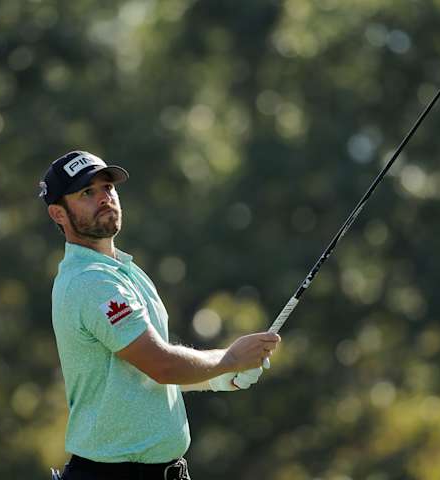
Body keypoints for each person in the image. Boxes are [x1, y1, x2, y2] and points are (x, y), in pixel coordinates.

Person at [39, 150, 280, 480]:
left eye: (108, 187)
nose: (104, 198)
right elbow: (161, 365)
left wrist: (216, 377)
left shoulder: (126, 272)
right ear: (58, 213)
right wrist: (229, 359)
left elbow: (140, 379)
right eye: (86, 193)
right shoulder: (91, 281)